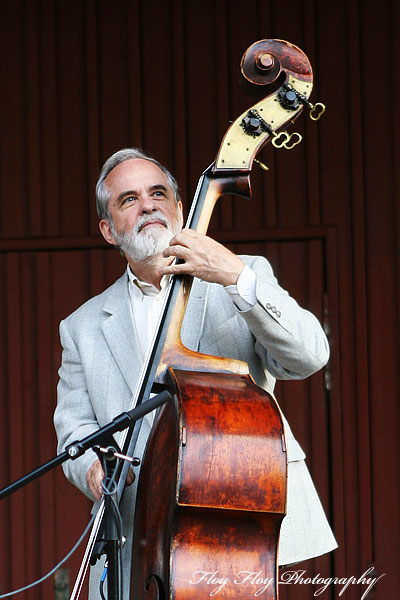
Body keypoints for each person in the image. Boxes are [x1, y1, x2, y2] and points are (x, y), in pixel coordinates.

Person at [54, 148, 337, 599]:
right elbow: (74, 427)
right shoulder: (82, 326)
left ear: (181, 209)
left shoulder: (243, 277)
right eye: (128, 200)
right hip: (134, 534)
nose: (147, 205)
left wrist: (236, 277)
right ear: (108, 230)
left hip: (234, 522)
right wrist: (91, 468)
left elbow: (309, 356)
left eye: (158, 193)